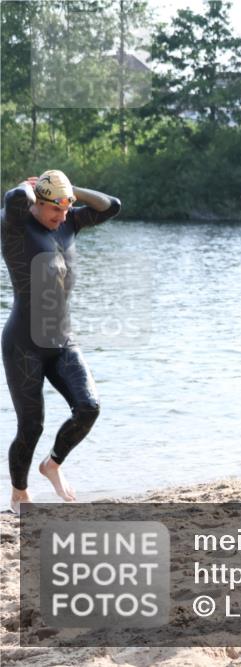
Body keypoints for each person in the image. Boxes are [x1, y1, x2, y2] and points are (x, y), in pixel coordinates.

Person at [1, 170, 122, 514]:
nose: (62, 217)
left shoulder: (69, 223)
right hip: (24, 344)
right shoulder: (15, 225)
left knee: (88, 407)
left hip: (62, 341)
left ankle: (52, 464)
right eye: (55, 210)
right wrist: (30, 186)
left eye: (67, 210)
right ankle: (19, 494)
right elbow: (14, 198)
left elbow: (112, 206)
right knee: (31, 425)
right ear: (38, 203)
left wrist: (69, 190)